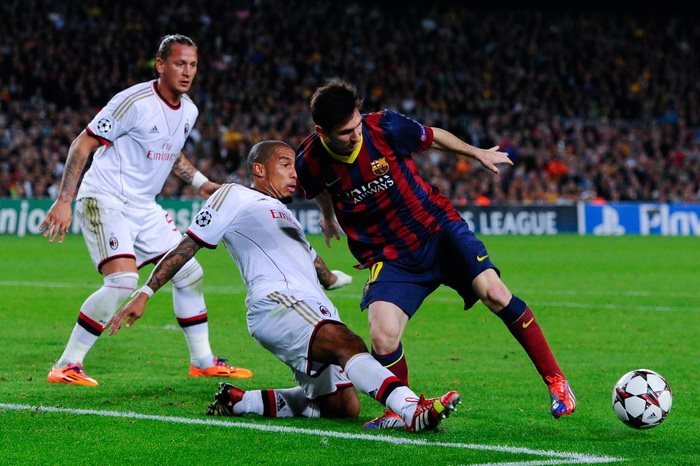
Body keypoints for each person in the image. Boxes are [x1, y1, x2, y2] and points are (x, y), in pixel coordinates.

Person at [108, 140, 461, 432]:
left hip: (311, 304)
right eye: (285, 164)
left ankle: (241, 401)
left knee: (343, 406)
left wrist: (344, 278)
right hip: (278, 302)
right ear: (259, 169)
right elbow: (188, 244)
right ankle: (411, 409)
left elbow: (317, 266)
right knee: (347, 343)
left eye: (295, 166)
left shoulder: (285, 214)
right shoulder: (234, 195)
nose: (295, 173)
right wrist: (146, 291)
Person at [294, 80, 576, 428]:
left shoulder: (384, 127)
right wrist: (327, 216)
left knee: (494, 292)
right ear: (321, 132)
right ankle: (401, 409)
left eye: (357, 124)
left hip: (437, 229)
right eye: (345, 132)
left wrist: (476, 152)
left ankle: (557, 382)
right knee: (382, 334)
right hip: (389, 253)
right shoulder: (309, 160)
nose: (355, 135)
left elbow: (433, 136)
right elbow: (320, 189)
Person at [38, 34, 252, 386]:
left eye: (193, 65)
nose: (187, 71)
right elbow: (82, 144)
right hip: (105, 197)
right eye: (180, 63)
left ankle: (202, 362)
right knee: (122, 281)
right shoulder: (133, 102)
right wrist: (64, 200)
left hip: (143, 206)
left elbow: (171, 152)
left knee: (188, 272)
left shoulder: (189, 111)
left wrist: (201, 183)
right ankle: (66, 365)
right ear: (160, 65)